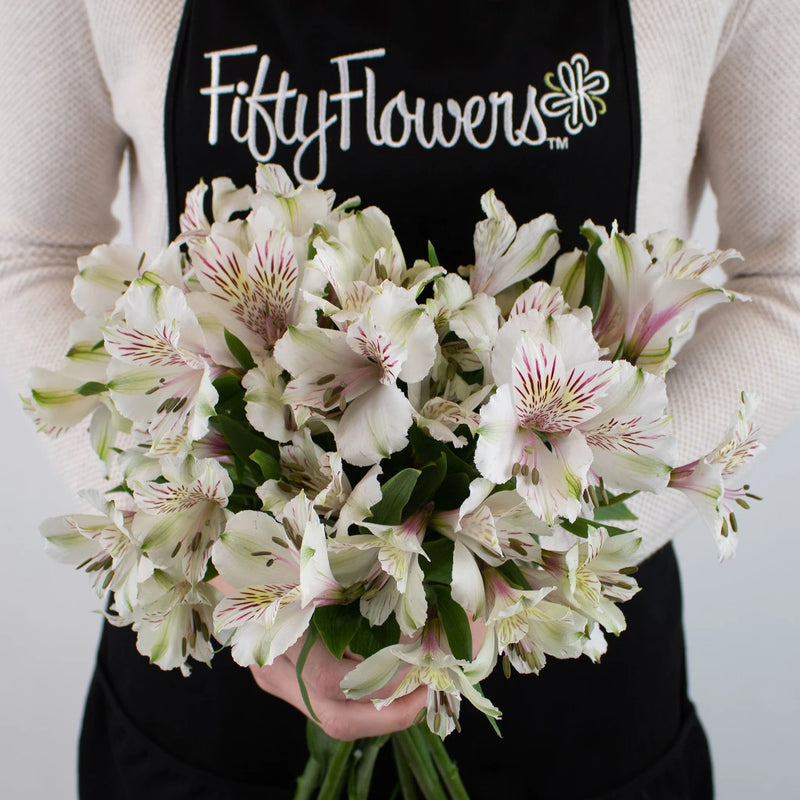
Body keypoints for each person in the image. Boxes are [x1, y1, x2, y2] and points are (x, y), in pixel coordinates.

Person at [1, 1, 798, 798]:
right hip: (221, 658)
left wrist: (540, 556)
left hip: (564, 670)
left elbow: (785, 275)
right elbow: (28, 252)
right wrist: (215, 563)